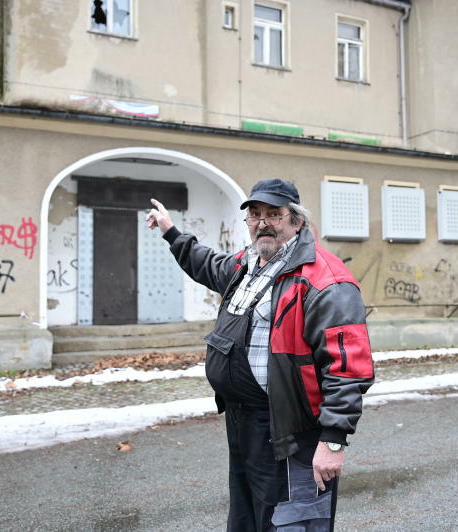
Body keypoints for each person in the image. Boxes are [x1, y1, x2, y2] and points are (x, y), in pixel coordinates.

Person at [146, 178, 374, 531]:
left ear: (296, 220)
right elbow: (205, 263)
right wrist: (171, 232)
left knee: (289, 519)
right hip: (243, 420)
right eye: (255, 214)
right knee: (248, 515)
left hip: (289, 428)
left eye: (274, 214)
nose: (262, 222)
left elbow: (347, 369)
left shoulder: (326, 281)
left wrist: (333, 441)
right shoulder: (248, 263)